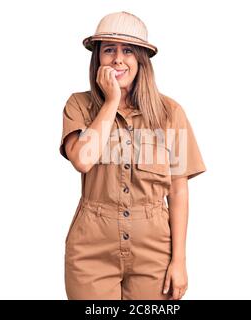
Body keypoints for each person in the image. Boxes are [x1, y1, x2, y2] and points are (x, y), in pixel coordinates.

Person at [59, 11, 206, 300]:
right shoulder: (79, 105)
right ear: (97, 58)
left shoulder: (169, 112)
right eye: (109, 50)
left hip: (154, 251)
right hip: (91, 250)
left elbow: (178, 191)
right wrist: (111, 101)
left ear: (141, 59)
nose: (117, 59)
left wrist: (180, 261)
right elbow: (83, 159)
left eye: (127, 50)